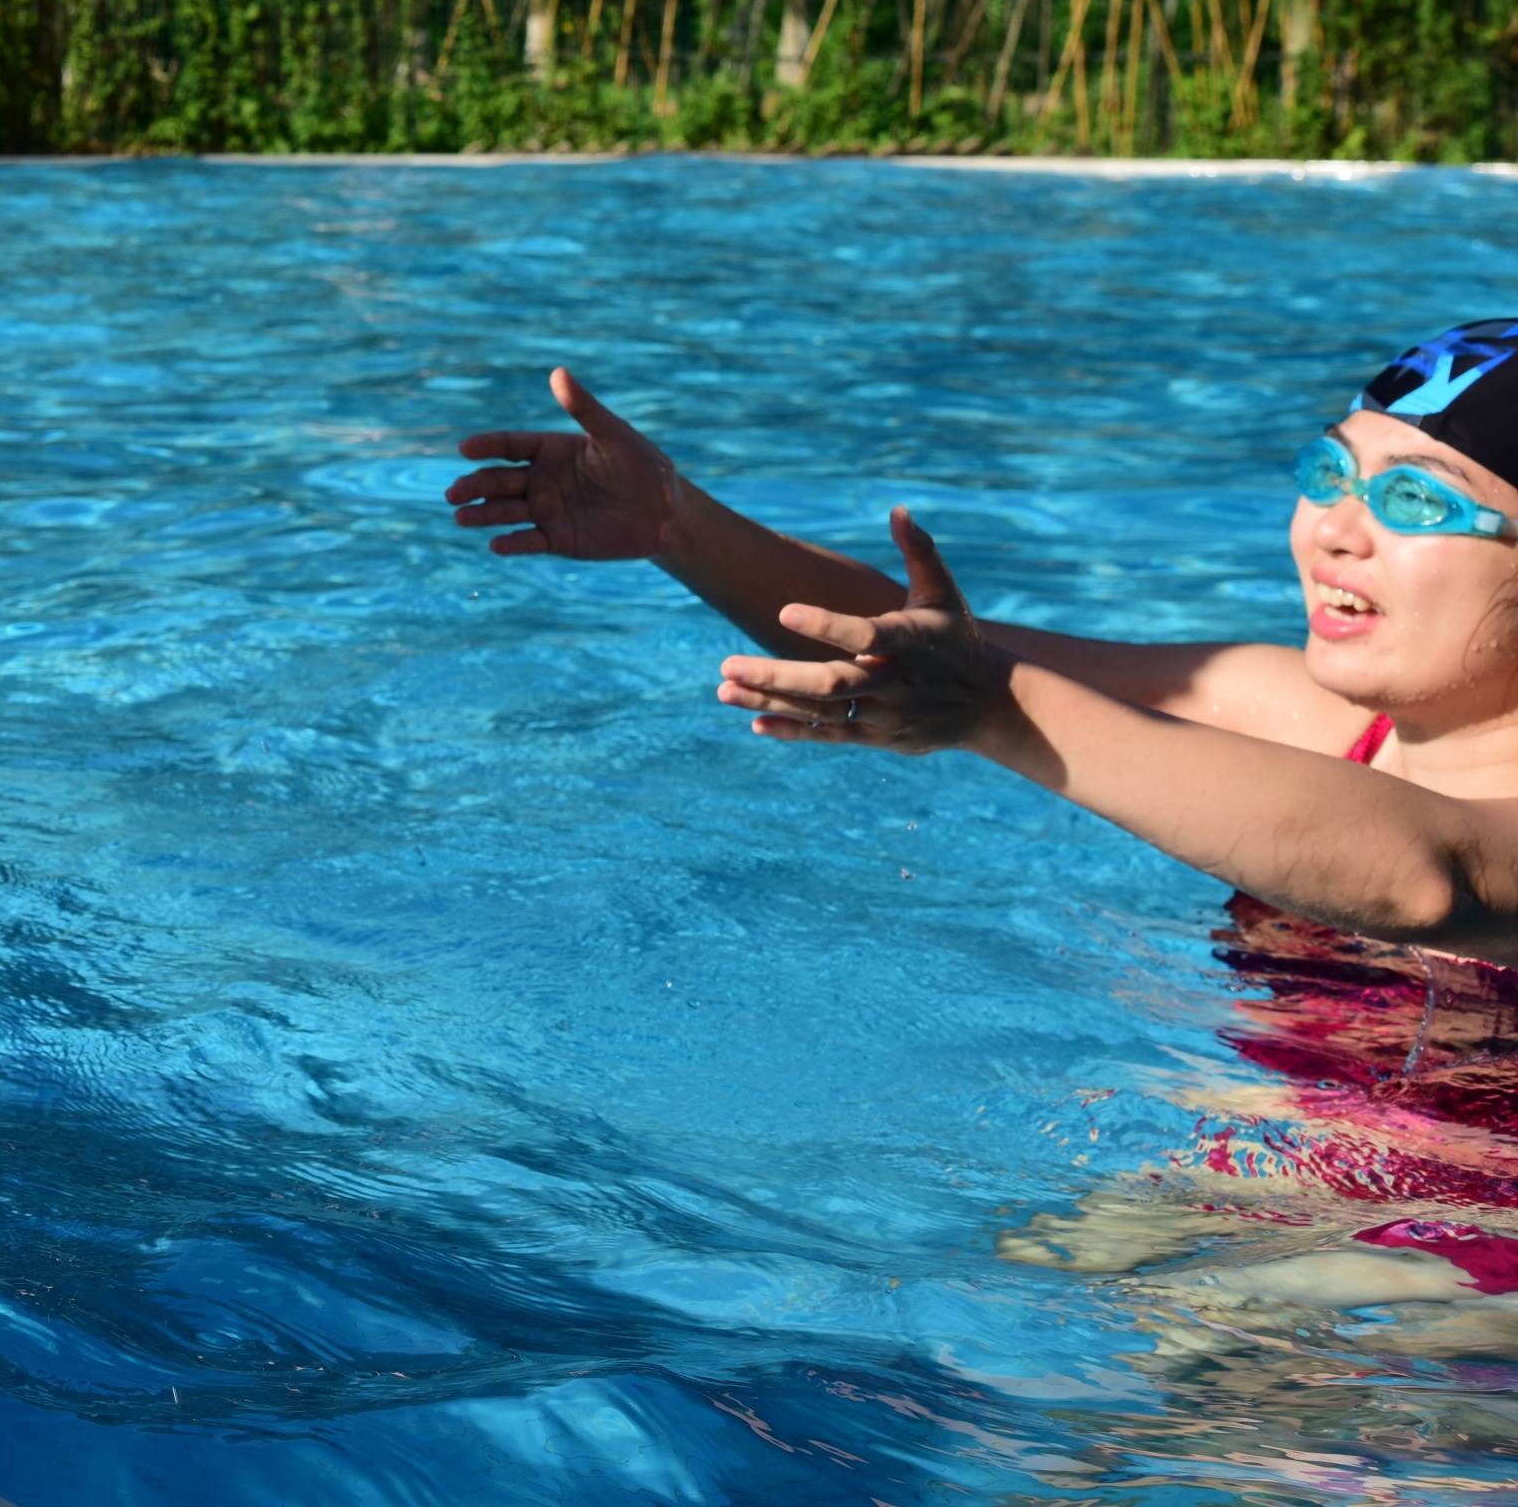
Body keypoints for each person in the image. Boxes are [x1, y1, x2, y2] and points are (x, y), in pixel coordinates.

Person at [444, 325, 1518, 1292]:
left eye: (1413, 500)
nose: (1333, 528)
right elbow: (910, 637)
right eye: (1326, 471)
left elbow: (1426, 877)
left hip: (1479, 1261)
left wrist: (995, 710)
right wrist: (677, 523)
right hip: (1281, 1180)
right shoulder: (1299, 712)